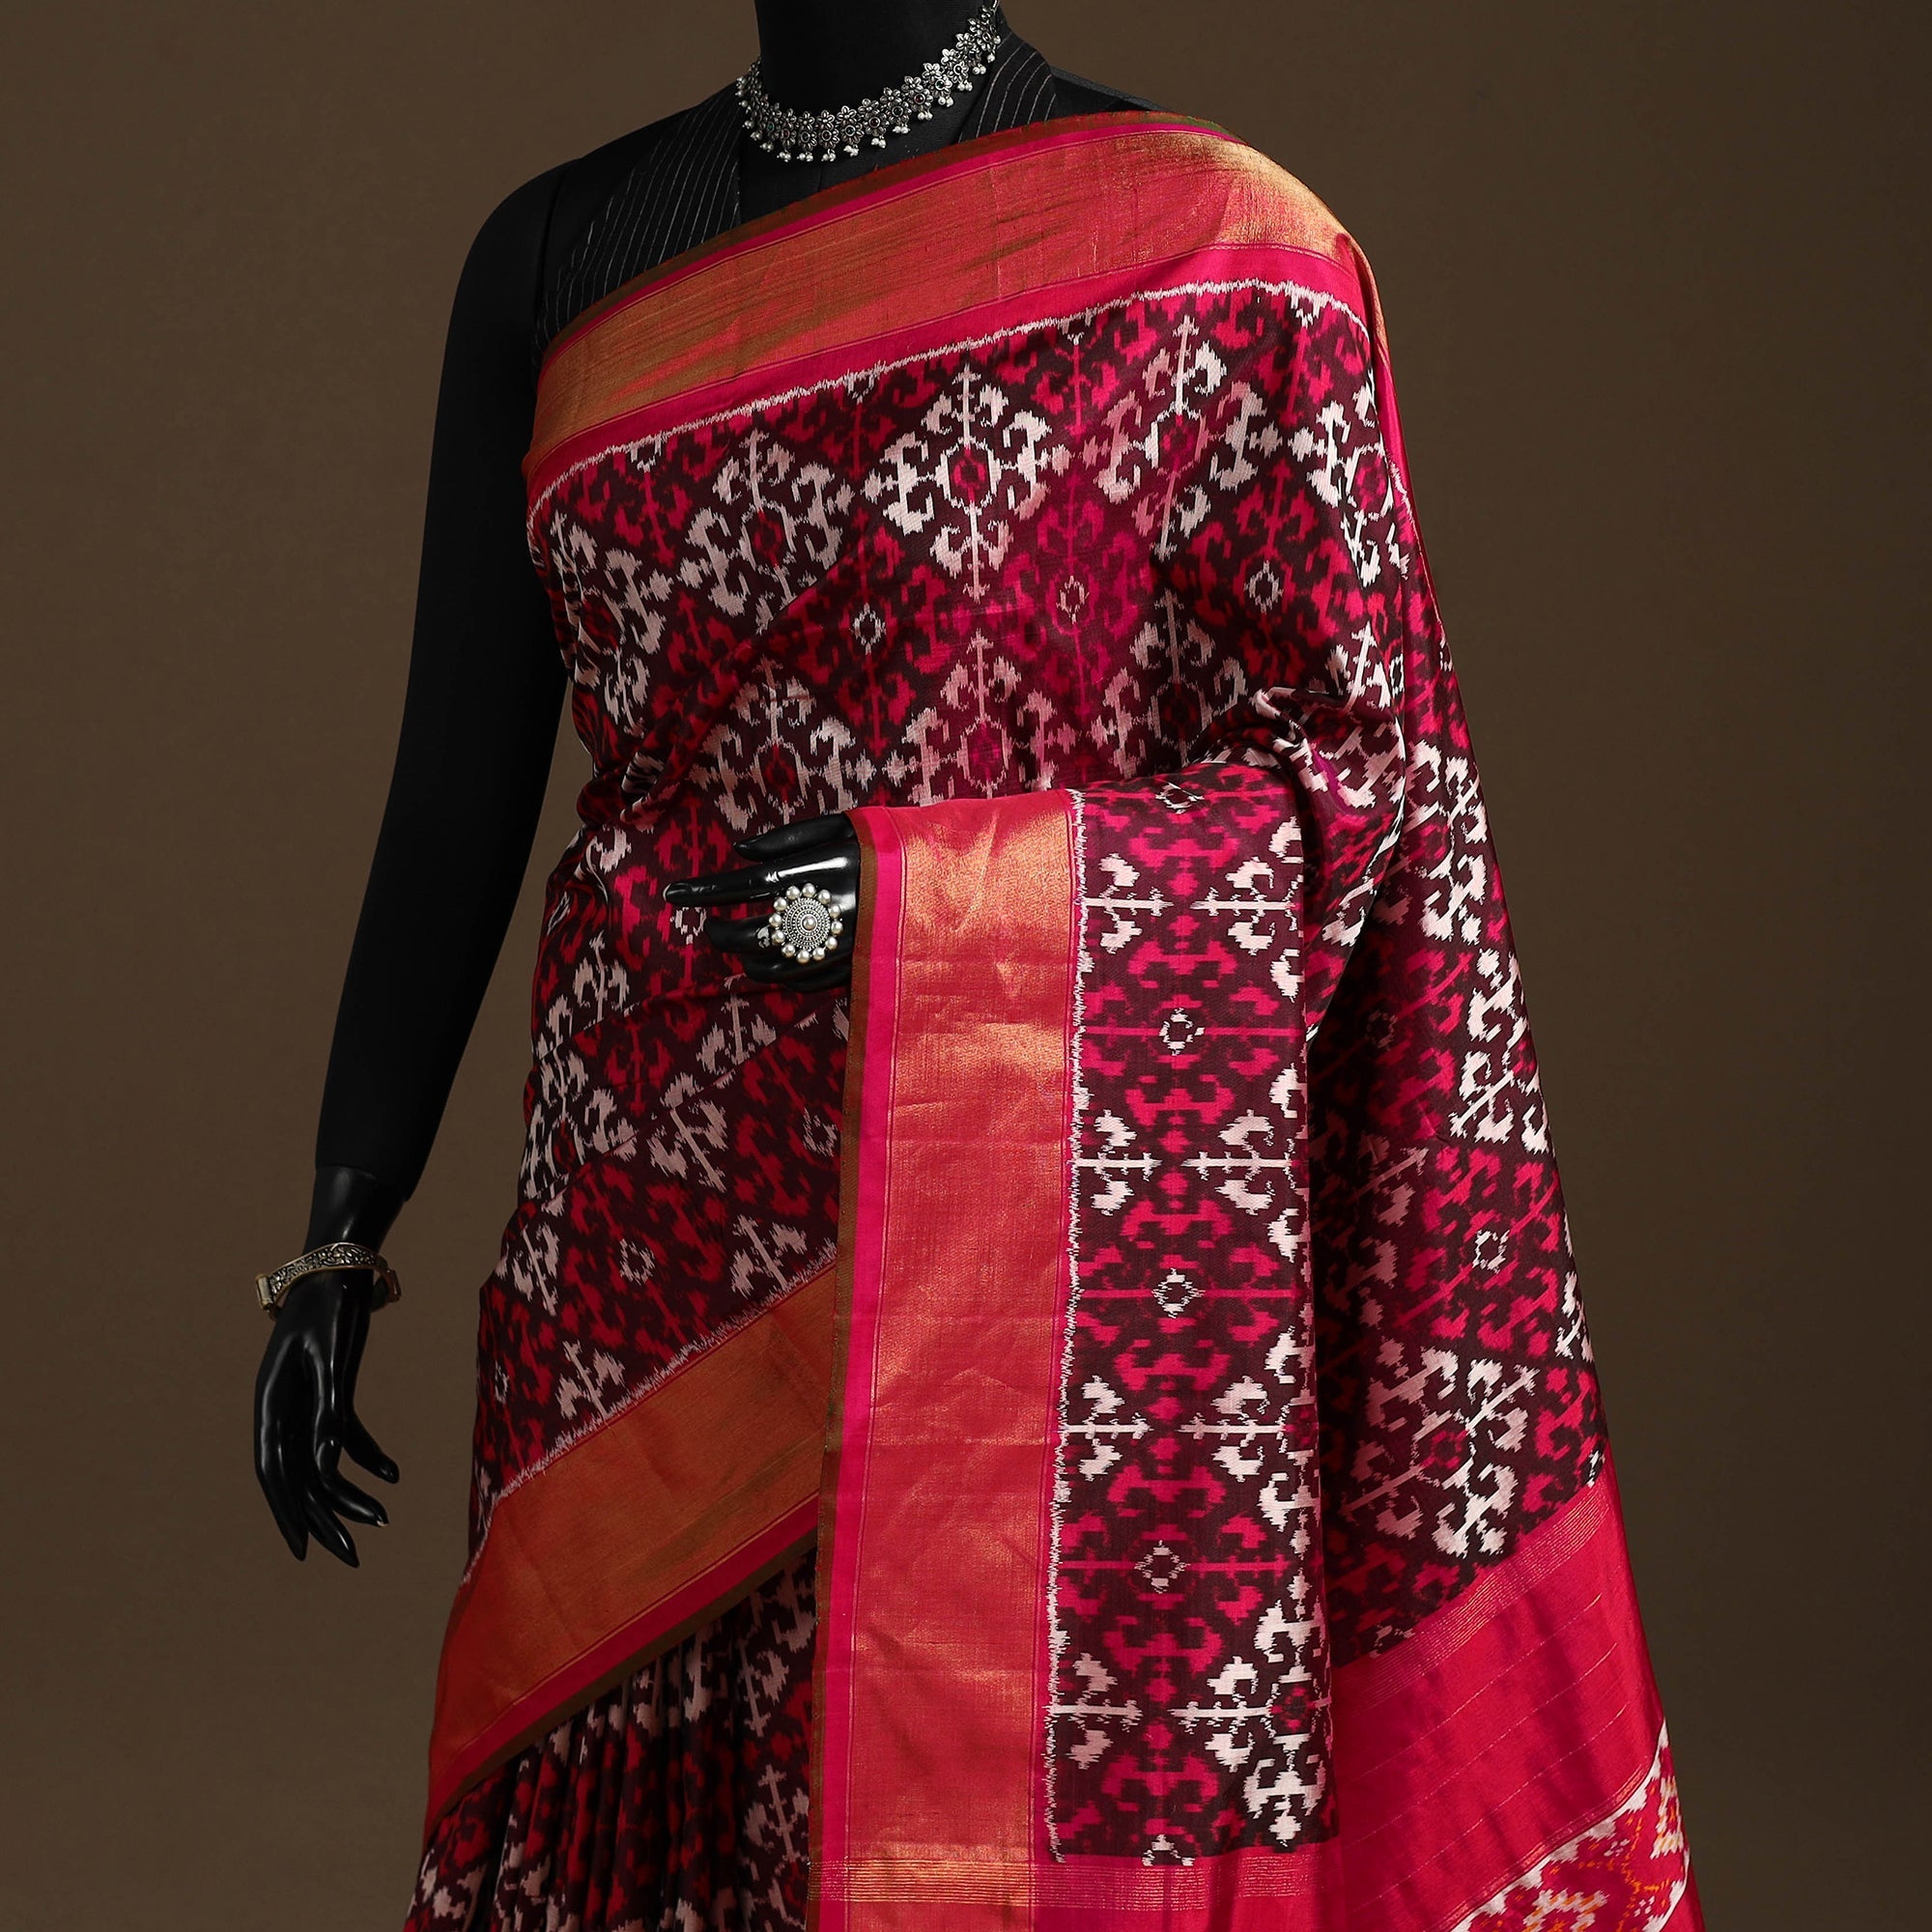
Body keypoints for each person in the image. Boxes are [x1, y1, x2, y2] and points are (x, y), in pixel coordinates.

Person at [252, 7, 1703, 1928]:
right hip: (640, 1259)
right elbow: (455, 795)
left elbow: (1373, 808)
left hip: (1025, 1249)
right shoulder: (554, 256)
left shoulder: (1213, 250)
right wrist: (340, 1237)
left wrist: (927, 905)